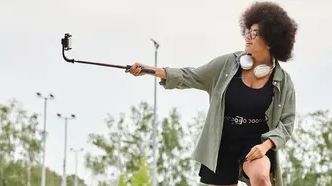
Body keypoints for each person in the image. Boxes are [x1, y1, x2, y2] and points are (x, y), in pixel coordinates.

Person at [126, 1, 297, 186]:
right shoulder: (226, 65)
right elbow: (190, 75)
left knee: (262, 177)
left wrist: (265, 146)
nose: (248, 37)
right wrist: (149, 70)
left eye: (254, 34)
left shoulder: (283, 81)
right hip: (221, 143)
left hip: (255, 144)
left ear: (271, 40)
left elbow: (286, 126)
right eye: (247, 31)